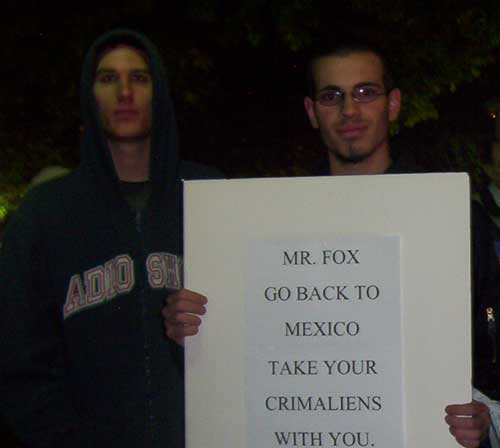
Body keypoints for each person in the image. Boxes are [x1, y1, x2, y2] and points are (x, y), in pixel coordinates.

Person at [163, 41, 499, 448]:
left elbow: (484, 357)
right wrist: (197, 331)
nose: (349, 111)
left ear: (393, 104)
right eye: (331, 96)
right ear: (311, 112)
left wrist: (486, 416)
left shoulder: (456, 221)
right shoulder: (269, 225)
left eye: (365, 92)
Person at [0, 29, 219, 448]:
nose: (124, 92)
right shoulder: (46, 214)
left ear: (160, 92)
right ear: (89, 94)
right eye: (107, 79)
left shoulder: (208, 195)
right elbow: (18, 359)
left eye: (139, 78)